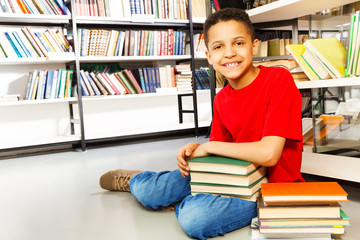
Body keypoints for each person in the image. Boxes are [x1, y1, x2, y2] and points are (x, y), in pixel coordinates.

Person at [99, 8, 304, 239]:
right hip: (231, 179)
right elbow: (217, 160)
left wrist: (209, 147)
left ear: (254, 46)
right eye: (219, 47)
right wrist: (196, 151)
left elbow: (269, 154)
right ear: (208, 56)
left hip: (265, 189)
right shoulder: (222, 99)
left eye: (238, 43)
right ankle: (139, 179)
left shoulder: (279, 80)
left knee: (196, 220)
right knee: (149, 192)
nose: (229, 53)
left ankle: (180, 198)